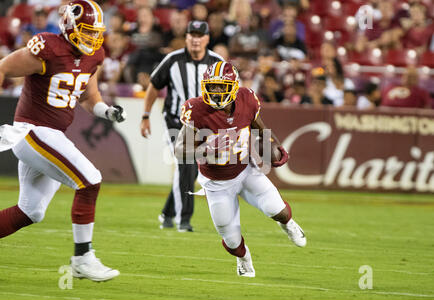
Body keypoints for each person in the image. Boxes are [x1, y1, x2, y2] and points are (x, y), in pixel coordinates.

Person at [0, 0, 126, 282]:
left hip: (51, 135)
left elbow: (87, 96)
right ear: (70, 27)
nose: (93, 38)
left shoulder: (94, 56)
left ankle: (83, 258)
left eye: (96, 32)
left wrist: (107, 111)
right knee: (90, 179)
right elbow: (3, 68)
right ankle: (83, 257)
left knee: (30, 211)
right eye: (87, 31)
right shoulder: (48, 47)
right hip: (32, 131)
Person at [174, 61, 306, 277]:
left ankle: (289, 224)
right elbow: (179, 150)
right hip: (216, 182)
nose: (215, 93)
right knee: (231, 239)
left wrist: (274, 146)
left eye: (220, 87)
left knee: (277, 210)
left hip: (245, 170)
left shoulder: (246, 99)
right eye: (212, 86)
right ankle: (244, 258)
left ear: (234, 87)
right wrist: (206, 149)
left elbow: (260, 128)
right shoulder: (195, 109)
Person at [140, 21, 223, 232]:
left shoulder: (217, 62)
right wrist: (145, 115)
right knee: (186, 164)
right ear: (186, 37)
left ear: (207, 38)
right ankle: (183, 220)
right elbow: (154, 86)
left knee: (191, 171)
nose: (195, 39)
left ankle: (167, 213)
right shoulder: (173, 60)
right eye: (191, 35)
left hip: (205, 125)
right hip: (176, 122)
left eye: (199, 35)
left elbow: (231, 94)